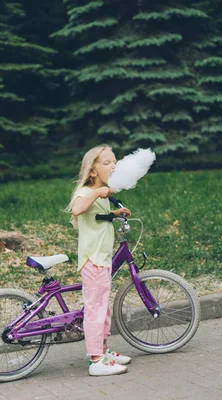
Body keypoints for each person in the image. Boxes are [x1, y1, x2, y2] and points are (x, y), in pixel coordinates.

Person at [66, 145, 132, 376]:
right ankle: (96, 360)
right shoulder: (86, 192)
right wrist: (96, 193)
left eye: (114, 162)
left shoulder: (101, 193)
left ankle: (103, 350)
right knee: (95, 309)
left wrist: (114, 214)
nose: (113, 165)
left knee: (103, 309)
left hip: (102, 260)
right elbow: (77, 209)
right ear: (92, 171)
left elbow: (95, 217)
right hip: (92, 260)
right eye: (107, 163)